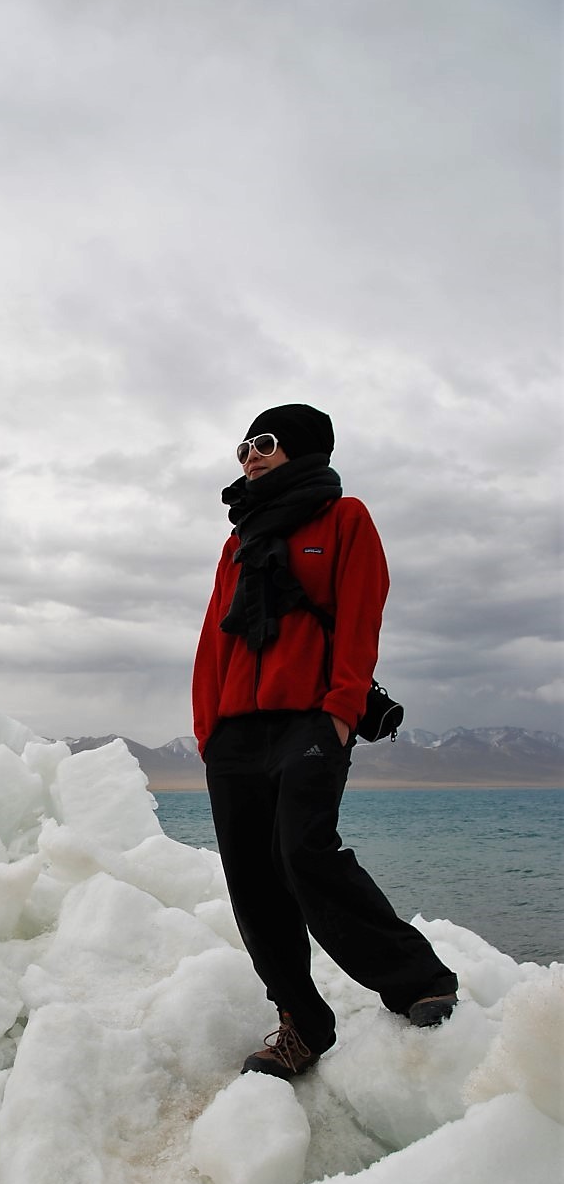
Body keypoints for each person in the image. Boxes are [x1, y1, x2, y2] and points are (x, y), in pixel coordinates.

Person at [192, 403, 458, 1080]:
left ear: (301, 446)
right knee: (251, 882)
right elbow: (213, 641)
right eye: (242, 447)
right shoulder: (238, 540)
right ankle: (299, 1023)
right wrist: (207, 729)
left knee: (302, 851)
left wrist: (341, 709)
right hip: (234, 734)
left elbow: (360, 611)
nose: (247, 455)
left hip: (309, 718)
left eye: (263, 442)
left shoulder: (345, 519)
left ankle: (417, 978)